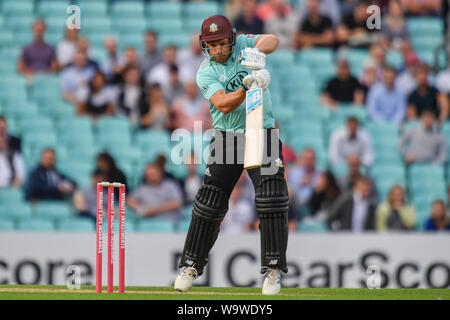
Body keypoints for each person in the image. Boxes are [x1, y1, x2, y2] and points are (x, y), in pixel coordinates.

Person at [174, 15, 289, 296]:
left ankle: (273, 270)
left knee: (272, 197)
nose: (218, 50)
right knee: (209, 203)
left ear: (232, 39)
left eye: (222, 43)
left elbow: (271, 40)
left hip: (260, 130)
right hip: (228, 137)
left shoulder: (244, 46)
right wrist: (249, 85)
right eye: (211, 45)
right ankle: (190, 266)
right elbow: (223, 104)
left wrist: (260, 51)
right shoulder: (205, 72)